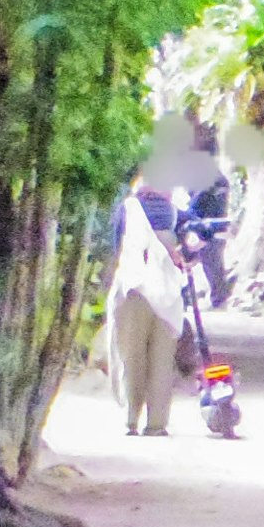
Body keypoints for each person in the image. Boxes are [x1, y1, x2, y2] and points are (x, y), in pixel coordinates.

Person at [102, 187, 194, 436]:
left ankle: (130, 419)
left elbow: (113, 246)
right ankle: (157, 423)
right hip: (168, 295)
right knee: (162, 361)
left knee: (132, 356)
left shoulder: (125, 209)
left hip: (134, 290)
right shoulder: (177, 214)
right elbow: (195, 244)